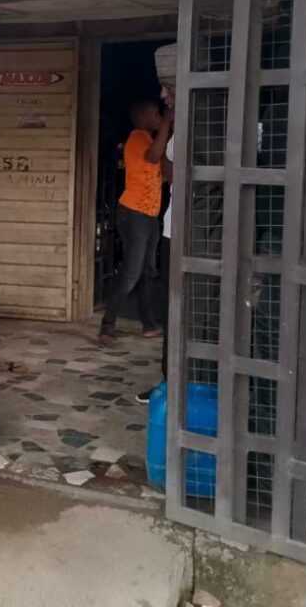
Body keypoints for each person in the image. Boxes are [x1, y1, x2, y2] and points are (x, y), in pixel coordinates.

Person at [100, 95, 175, 340]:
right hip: (134, 214)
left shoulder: (152, 141)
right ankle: (108, 323)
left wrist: (169, 129)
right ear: (143, 119)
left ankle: (149, 325)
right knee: (133, 272)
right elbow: (154, 156)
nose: (158, 118)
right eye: (155, 115)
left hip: (149, 215)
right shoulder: (136, 138)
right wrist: (167, 123)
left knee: (147, 272)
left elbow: (165, 172)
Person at [137, 43, 177, 404]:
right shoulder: (143, 137)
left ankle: (176, 384)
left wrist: (168, 122)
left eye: (169, 87)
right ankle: (170, 382)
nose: (163, 95)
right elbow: (165, 170)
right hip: (155, 219)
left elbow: (169, 172)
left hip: (174, 228)